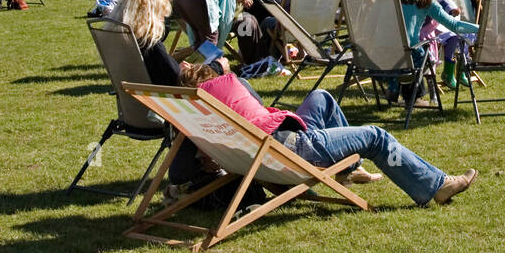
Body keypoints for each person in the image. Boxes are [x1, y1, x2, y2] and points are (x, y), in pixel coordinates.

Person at [182, 64, 477, 204]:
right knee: (376, 136)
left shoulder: (195, 109)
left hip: (267, 152)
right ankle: (435, 185)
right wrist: (219, 68)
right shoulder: (226, 83)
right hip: (291, 149)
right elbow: (244, 90)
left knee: (322, 96)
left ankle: (350, 168)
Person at [167, 0, 252, 64]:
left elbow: (193, 27)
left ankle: (191, 70)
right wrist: (217, 46)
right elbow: (225, 22)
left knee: (200, 39)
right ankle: (201, 73)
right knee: (211, 38)